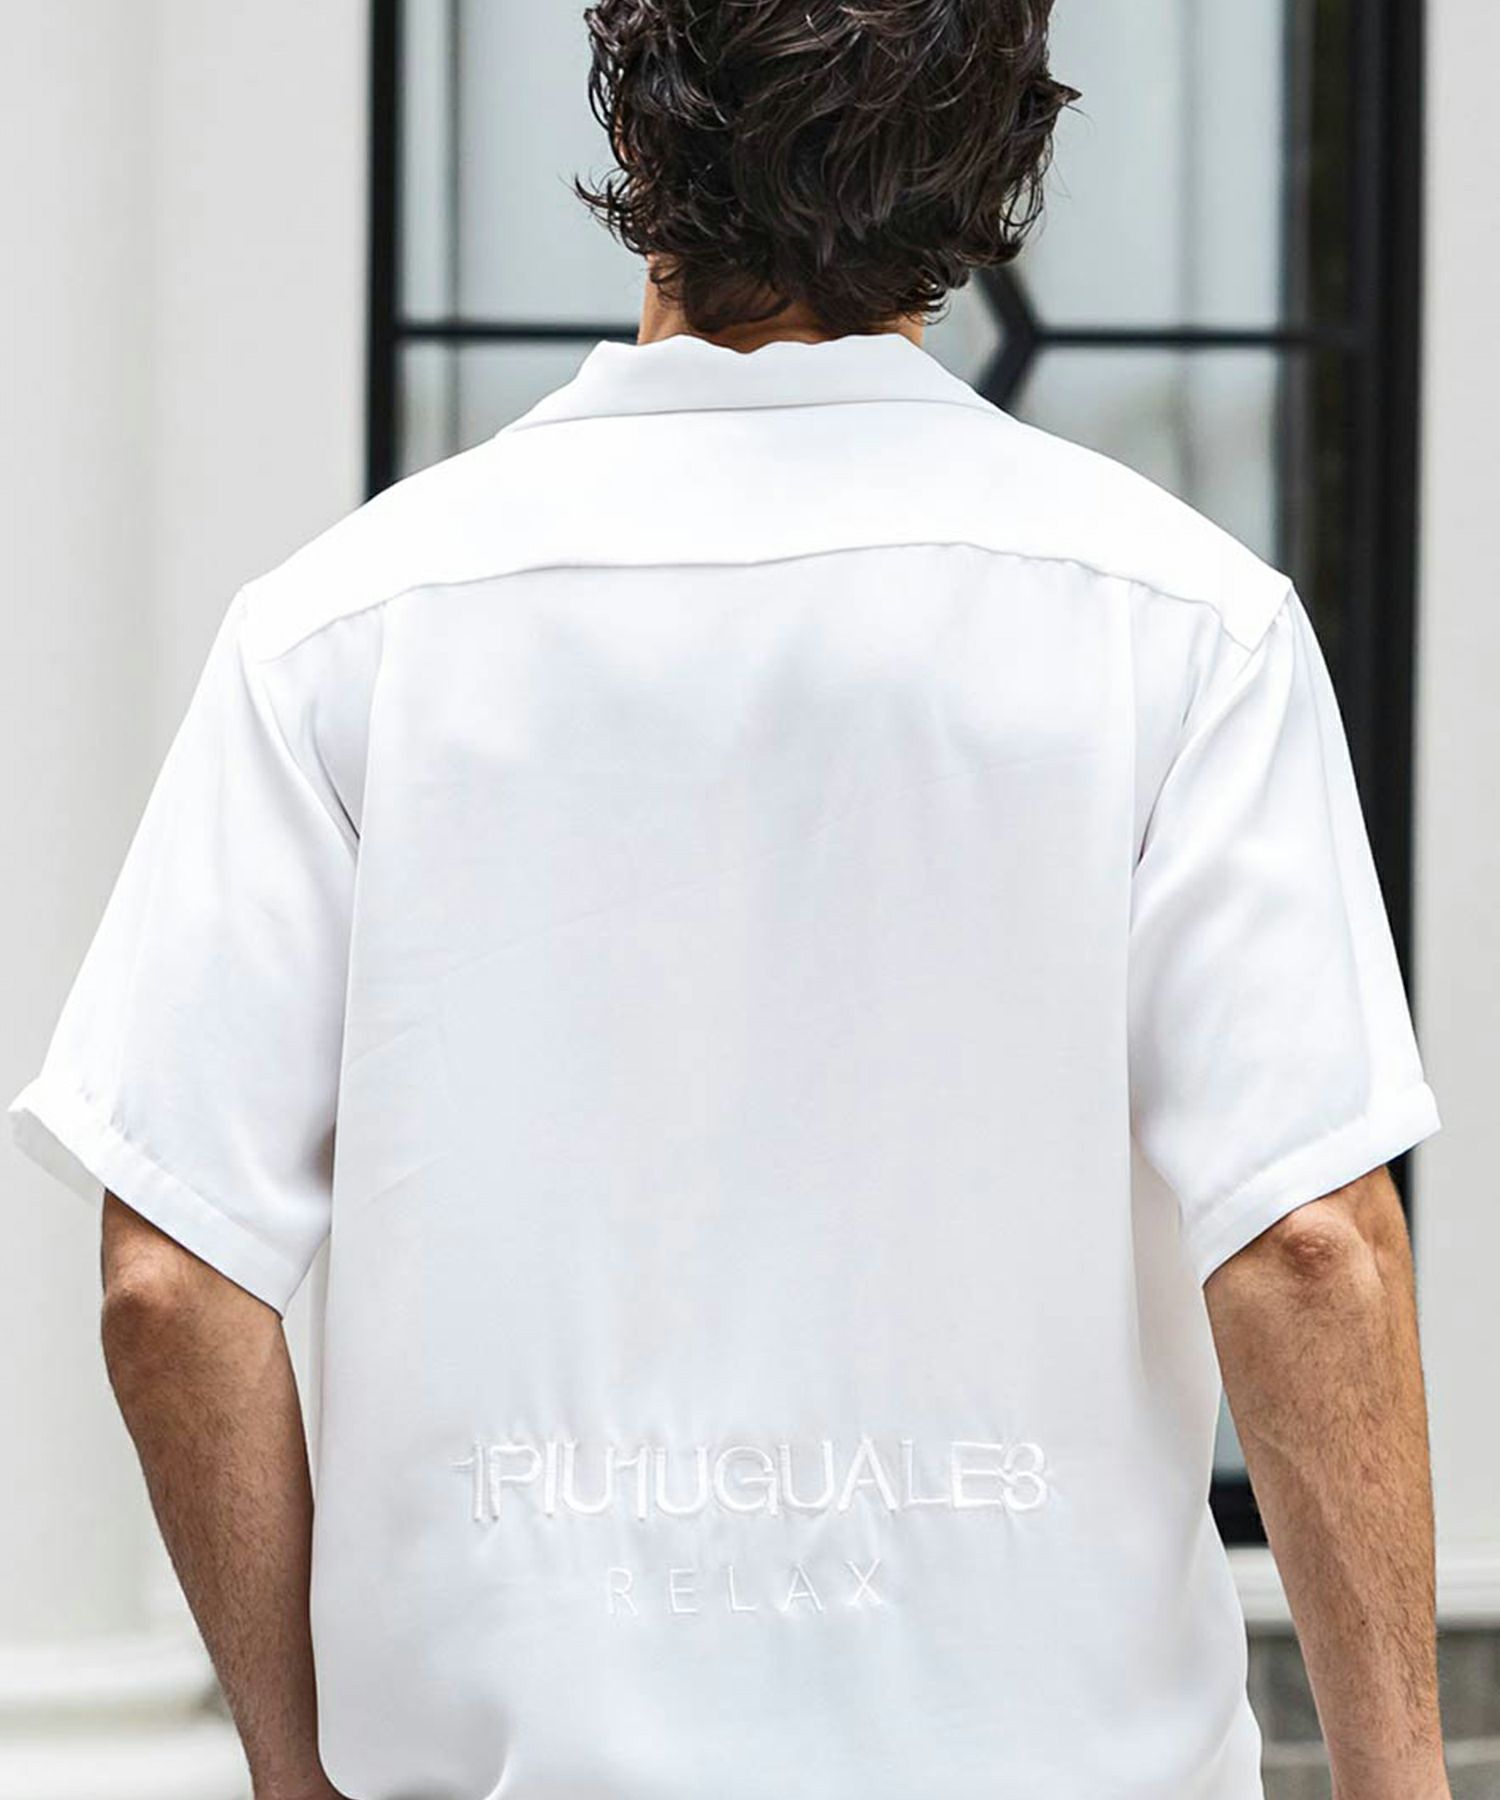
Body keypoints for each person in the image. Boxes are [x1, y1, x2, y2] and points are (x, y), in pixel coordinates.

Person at [7, 3, 1449, 1797]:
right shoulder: (1185, 623)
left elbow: (168, 1277)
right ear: (999, 166)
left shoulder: (342, 629)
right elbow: (1311, 1245)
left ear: (635, 121)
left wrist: (306, 1779)